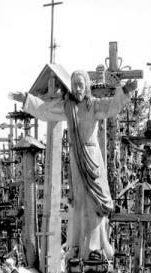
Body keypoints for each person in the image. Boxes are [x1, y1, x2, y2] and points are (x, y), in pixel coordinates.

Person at [11, 72, 137, 260]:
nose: (78, 89)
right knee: (79, 201)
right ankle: (77, 244)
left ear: (86, 86)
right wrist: (27, 100)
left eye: (81, 85)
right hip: (76, 157)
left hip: (92, 157)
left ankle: (95, 246)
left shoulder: (93, 105)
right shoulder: (68, 107)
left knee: (95, 201)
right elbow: (46, 110)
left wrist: (125, 90)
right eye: (75, 85)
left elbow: (111, 106)